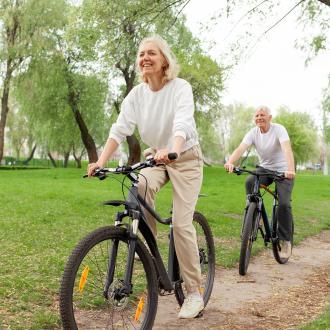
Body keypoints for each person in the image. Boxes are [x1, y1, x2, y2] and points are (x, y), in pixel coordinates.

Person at [87, 35, 204, 319]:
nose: (145, 58)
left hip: (184, 158)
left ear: (164, 59)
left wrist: (174, 150)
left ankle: (193, 293)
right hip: (156, 157)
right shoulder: (137, 95)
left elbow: (183, 123)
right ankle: (154, 264)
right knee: (138, 188)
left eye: (151, 53)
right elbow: (119, 129)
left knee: (180, 222)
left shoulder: (180, 88)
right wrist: (100, 162)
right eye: (141, 54)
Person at [224, 105, 295, 258]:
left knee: (283, 203)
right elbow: (241, 148)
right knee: (250, 181)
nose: (259, 118)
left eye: (262, 115)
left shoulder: (279, 129)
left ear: (270, 117)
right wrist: (230, 162)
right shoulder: (253, 132)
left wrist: (290, 169)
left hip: (283, 171)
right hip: (265, 169)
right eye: (256, 115)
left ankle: (285, 240)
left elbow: (287, 149)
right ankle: (255, 213)